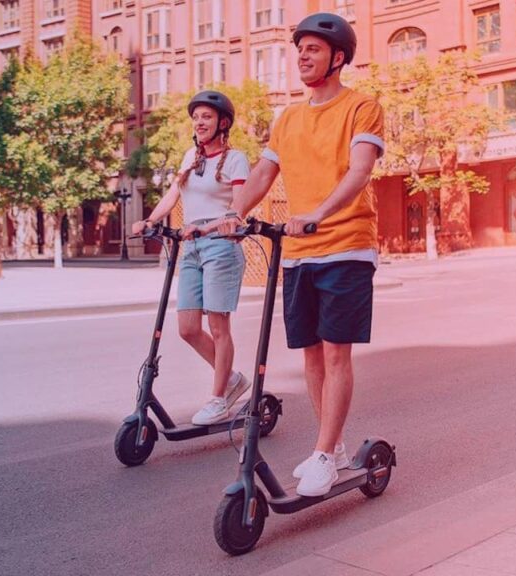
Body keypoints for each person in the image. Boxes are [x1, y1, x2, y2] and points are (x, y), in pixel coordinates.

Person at [211, 13, 384, 497]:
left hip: (346, 245)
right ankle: (334, 447)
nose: (303, 57)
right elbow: (265, 173)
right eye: (300, 49)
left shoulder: (362, 107)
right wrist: (235, 213)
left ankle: (324, 455)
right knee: (309, 355)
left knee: (334, 353)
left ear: (339, 57)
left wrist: (318, 213)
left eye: (313, 49)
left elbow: (360, 172)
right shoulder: (288, 117)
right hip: (298, 253)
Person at [132, 90, 252, 426]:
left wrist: (209, 228)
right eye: (196, 117)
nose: (199, 122)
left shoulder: (236, 160)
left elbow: (237, 209)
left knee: (218, 326)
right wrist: (151, 221)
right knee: (187, 328)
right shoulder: (190, 157)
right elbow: (173, 195)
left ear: (222, 123)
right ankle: (231, 380)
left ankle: (218, 399)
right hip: (191, 246)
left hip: (220, 246)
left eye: (207, 117)